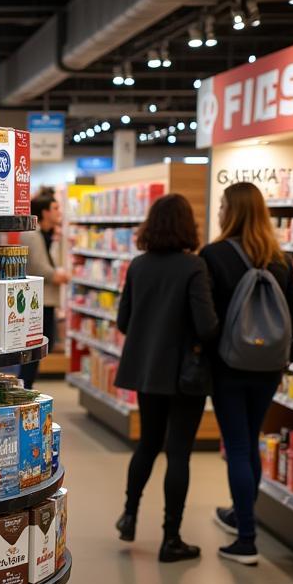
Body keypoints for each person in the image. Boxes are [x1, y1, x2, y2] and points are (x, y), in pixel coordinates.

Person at [201, 182, 293, 566]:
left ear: (230, 211)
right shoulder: (279, 259)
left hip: (229, 366)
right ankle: (240, 513)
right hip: (268, 370)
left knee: (238, 446)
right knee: (251, 439)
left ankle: (246, 539)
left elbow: (206, 320)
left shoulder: (213, 255)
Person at [113, 194, 219, 562]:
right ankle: (171, 538)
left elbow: (123, 322)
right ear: (188, 226)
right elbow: (206, 326)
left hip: (147, 371)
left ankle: (129, 515)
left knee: (147, 444)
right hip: (184, 375)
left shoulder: (138, 266)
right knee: (178, 454)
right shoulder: (194, 267)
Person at [19, 193, 70, 386]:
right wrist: (58, 276)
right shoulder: (33, 235)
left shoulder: (48, 234)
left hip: (43, 299)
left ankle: (27, 385)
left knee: (37, 347)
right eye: (56, 208)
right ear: (45, 212)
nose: (60, 212)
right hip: (37, 301)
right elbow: (40, 267)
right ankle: (26, 386)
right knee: (34, 347)